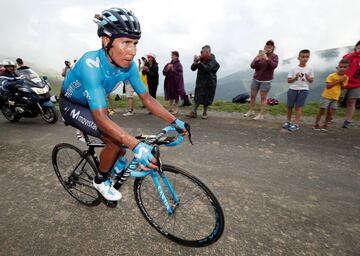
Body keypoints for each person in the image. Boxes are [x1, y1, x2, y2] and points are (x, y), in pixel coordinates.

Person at [59, 7, 188, 201]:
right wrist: (136, 146)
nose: (132, 51)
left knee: (119, 144)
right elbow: (101, 117)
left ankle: (114, 158)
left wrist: (174, 121)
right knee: (116, 140)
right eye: (126, 42)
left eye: (135, 43)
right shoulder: (90, 64)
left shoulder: (128, 66)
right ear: (106, 41)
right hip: (73, 105)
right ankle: (100, 180)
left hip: (96, 103)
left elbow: (147, 99)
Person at [244, 40, 279, 120]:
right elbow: (252, 66)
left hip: (266, 81)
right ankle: (251, 111)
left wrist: (266, 58)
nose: (269, 47)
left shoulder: (274, 56)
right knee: (252, 96)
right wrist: (257, 58)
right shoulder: (260, 55)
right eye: (267, 46)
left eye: (270, 46)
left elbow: (274, 66)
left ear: (273, 48)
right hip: (256, 79)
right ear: (265, 47)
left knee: (263, 98)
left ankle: (261, 114)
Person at [313, 59, 349, 131]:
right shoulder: (331, 76)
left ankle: (325, 125)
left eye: (345, 67)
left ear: (347, 68)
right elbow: (328, 86)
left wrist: (342, 81)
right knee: (322, 110)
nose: (342, 68)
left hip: (335, 97)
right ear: (337, 68)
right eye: (341, 67)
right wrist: (339, 80)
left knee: (330, 112)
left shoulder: (346, 78)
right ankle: (316, 124)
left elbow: (343, 88)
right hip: (327, 96)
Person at [282, 49, 314, 132]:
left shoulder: (310, 68)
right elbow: (289, 80)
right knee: (289, 106)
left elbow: (311, 80)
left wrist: (308, 78)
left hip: (304, 89)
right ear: (298, 58)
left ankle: (296, 124)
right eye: (303, 57)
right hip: (293, 89)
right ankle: (288, 122)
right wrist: (295, 78)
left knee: (298, 107)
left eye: (307, 57)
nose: (305, 58)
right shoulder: (293, 68)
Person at [186, 45, 220, 119]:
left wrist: (199, 63)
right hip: (200, 81)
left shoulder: (213, 61)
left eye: (202, 52)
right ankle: (194, 112)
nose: (200, 53)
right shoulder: (201, 59)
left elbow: (207, 68)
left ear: (208, 52)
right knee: (197, 96)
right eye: (200, 52)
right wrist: (195, 62)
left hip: (209, 82)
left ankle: (205, 112)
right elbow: (192, 68)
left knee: (207, 97)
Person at [341, 40, 360, 128]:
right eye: (359, 46)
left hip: (356, 84)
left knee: (352, 102)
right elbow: (344, 61)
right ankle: (329, 117)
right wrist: (356, 53)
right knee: (336, 99)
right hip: (344, 81)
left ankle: (347, 121)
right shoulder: (350, 55)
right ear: (356, 47)